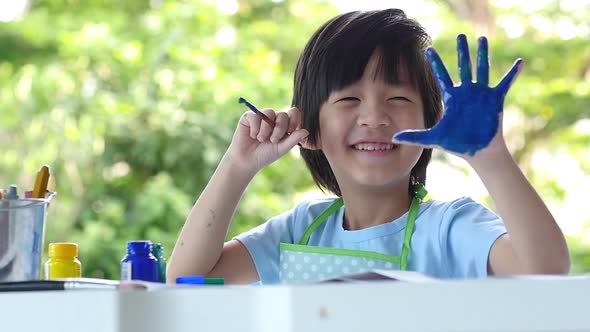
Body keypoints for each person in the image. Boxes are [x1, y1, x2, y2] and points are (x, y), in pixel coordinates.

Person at [167, 9, 570, 285]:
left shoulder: (451, 227)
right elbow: (188, 278)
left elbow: (546, 273)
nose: (374, 117)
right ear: (310, 130)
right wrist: (238, 166)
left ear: (433, 121)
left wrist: (492, 158)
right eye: (349, 100)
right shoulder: (299, 231)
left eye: (398, 99)